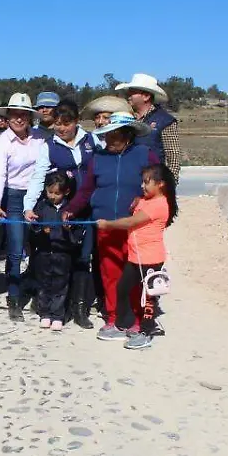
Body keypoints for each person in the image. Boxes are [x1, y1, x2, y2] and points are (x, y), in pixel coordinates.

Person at [65, 112, 157, 340]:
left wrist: (144, 200)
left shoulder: (145, 156)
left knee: (136, 277)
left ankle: (137, 321)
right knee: (110, 275)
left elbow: (161, 187)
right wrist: (71, 209)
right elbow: (86, 190)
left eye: (114, 135)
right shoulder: (98, 158)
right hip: (106, 227)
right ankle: (115, 319)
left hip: (135, 229)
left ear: (128, 135)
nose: (109, 140)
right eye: (107, 136)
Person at [23, 101, 97, 327]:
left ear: (76, 121)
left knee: (84, 258)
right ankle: (55, 306)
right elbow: (38, 176)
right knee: (60, 256)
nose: (61, 128)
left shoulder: (92, 140)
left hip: (89, 208)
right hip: (63, 210)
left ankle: (80, 307)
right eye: (57, 124)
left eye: (66, 123)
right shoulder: (48, 145)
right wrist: (29, 205)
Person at [96, 163, 177, 350]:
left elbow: (132, 221)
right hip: (136, 257)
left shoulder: (159, 204)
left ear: (160, 184)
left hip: (151, 258)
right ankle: (124, 325)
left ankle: (146, 331)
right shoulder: (145, 200)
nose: (142, 186)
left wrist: (108, 225)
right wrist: (136, 202)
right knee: (123, 289)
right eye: (142, 182)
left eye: (147, 182)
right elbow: (135, 209)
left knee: (149, 297)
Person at [0, 93, 47, 321]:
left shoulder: (40, 138)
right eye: (15, 115)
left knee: (37, 245)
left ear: (29, 117)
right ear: (9, 117)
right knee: (14, 249)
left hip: (38, 195)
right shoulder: (3, 141)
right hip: (13, 196)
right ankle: (13, 297)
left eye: (23, 115)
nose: (19, 119)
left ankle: (35, 289)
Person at [29, 172, 83, 331]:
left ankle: (58, 315)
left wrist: (68, 230)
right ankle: (45, 313)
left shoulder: (70, 209)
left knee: (60, 285)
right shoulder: (42, 206)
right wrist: (40, 229)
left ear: (66, 192)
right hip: (44, 253)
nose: (52, 196)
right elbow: (33, 228)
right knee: (44, 284)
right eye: (49, 192)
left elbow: (77, 233)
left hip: (63, 254)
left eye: (57, 193)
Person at [116, 73, 182, 180]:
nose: (128, 95)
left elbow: (173, 157)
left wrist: (169, 185)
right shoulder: (126, 118)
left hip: (153, 182)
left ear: (146, 96)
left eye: (132, 92)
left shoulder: (165, 120)